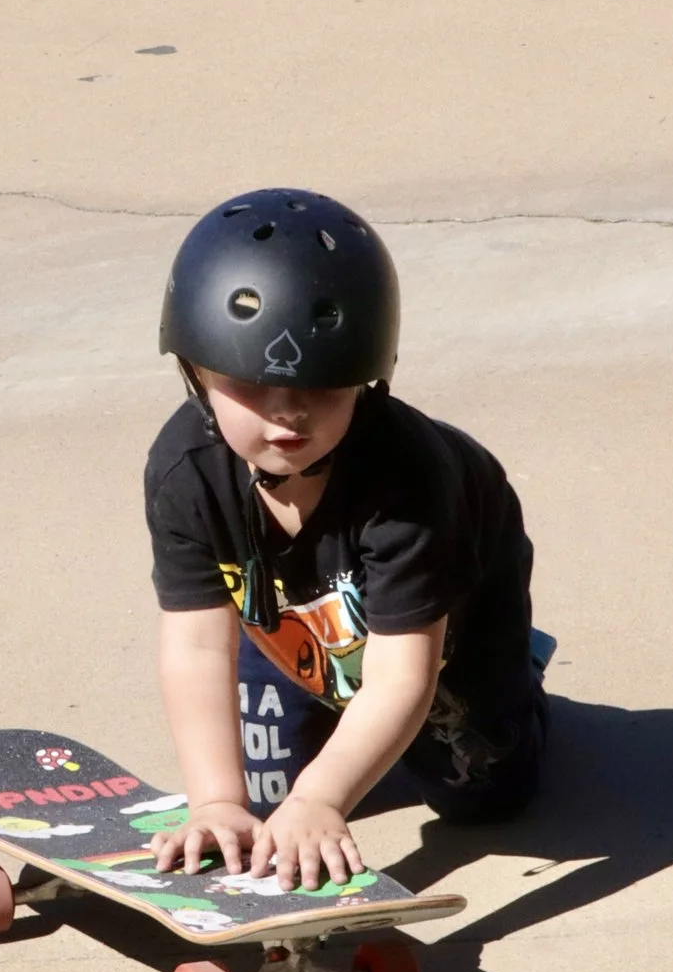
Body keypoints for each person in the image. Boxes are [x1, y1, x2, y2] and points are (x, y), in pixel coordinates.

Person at [143, 188, 547, 890]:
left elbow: (402, 676)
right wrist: (216, 800)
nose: (287, 416)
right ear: (196, 371)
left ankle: (517, 677)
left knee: (482, 797)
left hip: (443, 621)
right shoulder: (185, 475)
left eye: (324, 386)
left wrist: (323, 799)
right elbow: (198, 642)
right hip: (291, 619)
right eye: (250, 385)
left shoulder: (413, 484)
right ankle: (333, 707)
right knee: (265, 806)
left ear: (369, 377)